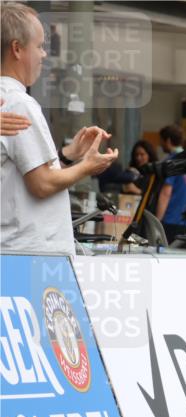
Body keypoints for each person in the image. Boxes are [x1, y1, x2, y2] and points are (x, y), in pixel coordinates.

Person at [1, 1, 117, 256]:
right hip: (31, 255)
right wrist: (88, 166)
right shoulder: (19, 103)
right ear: (17, 49)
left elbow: (22, 175)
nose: (44, 55)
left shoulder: (8, 99)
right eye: (40, 46)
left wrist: (67, 156)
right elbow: (41, 184)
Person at [155, 124, 186, 241]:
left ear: (167, 140)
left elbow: (165, 193)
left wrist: (157, 221)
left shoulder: (172, 162)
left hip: (171, 220)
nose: (160, 144)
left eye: (161, 141)